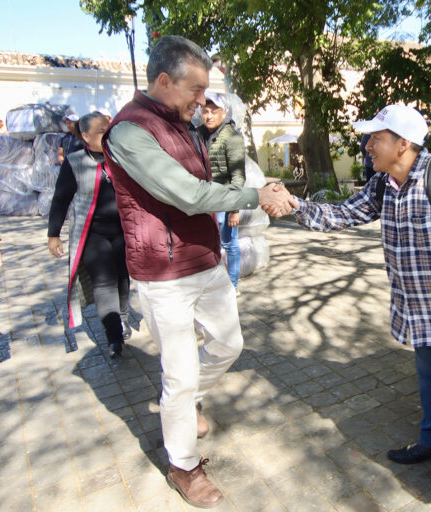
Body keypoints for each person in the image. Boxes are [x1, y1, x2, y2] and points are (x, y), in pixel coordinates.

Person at [101, 35, 293, 509]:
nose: (202, 100)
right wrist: (256, 196)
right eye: (196, 89)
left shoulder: (184, 122)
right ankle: (183, 463)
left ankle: (184, 405)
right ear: (163, 81)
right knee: (180, 374)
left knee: (230, 343)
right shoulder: (129, 132)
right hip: (162, 271)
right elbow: (187, 194)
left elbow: (208, 183)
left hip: (205, 259)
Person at [290, 104, 431, 505]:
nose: (367, 146)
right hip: (418, 310)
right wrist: (297, 206)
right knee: (430, 382)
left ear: (403, 144)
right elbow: (342, 214)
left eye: (375, 139)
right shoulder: (384, 185)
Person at [48, 111, 131, 359]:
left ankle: (123, 319)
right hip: (92, 234)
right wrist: (54, 235)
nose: (108, 135)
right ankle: (114, 337)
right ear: (85, 136)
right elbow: (61, 199)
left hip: (123, 231)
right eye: (101, 132)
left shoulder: (121, 157)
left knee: (123, 279)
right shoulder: (74, 162)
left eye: (109, 129)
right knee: (104, 282)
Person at [198, 91, 244, 294]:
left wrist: (235, 209)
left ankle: (232, 285)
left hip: (225, 201)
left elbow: (238, 176)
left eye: (213, 112)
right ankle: (214, 285)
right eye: (205, 111)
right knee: (210, 244)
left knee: (229, 244)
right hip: (205, 200)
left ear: (224, 113)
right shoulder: (198, 134)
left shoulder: (231, 137)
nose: (208, 116)